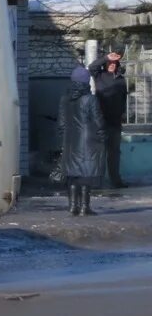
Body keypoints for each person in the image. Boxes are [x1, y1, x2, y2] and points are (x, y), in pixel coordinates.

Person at [57, 66, 107, 216]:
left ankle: (73, 207)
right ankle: (85, 207)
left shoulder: (64, 99)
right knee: (86, 173)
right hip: (88, 141)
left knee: (73, 174)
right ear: (86, 82)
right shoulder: (90, 99)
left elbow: (61, 123)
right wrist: (103, 135)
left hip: (70, 141)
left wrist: (63, 140)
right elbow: (98, 121)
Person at [88, 50, 128, 188]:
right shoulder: (99, 76)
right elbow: (91, 67)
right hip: (101, 121)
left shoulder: (120, 79)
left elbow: (124, 98)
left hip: (115, 122)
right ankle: (97, 181)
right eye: (109, 63)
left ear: (117, 64)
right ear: (105, 64)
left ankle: (116, 180)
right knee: (100, 152)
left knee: (114, 153)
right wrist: (106, 57)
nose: (111, 65)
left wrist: (122, 113)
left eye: (114, 63)